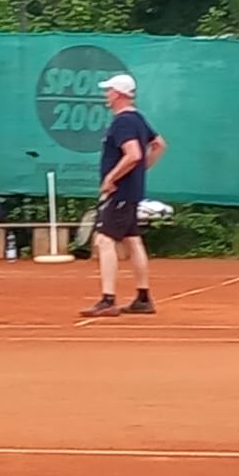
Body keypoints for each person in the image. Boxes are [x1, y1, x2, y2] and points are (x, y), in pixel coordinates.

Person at [80, 72, 167, 317]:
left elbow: (133, 154)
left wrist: (111, 178)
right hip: (131, 192)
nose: (106, 95)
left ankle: (108, 300)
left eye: (109, 90)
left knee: (104, 240)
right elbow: (159, 144)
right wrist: (141, 171)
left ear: (118, 94)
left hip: (119, 193)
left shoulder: (123, 122)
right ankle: (143, 298)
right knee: (132, 240)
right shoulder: (137, 119)